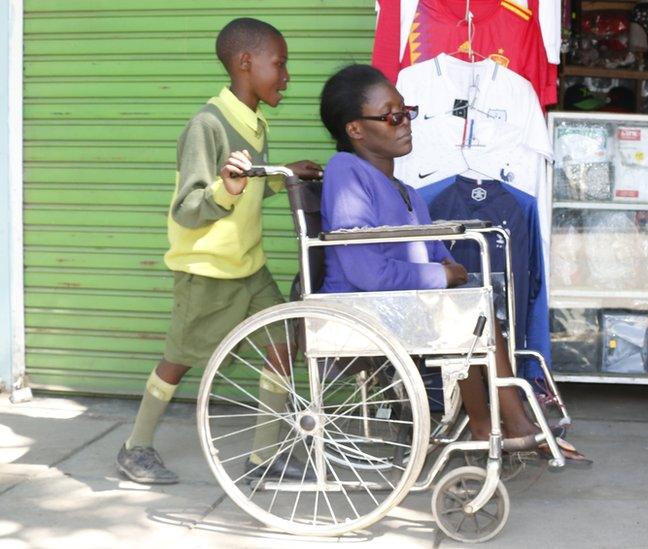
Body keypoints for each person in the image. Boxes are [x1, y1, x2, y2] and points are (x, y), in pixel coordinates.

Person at [317, 64, 586, 460]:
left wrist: (448, 270)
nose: (405, 123)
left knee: (475, 306)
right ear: (355, 129)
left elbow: (432, 247)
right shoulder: (346, 172)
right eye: (392, 117)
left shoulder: (406, 189)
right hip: (360, 309)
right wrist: (440, 274)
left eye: (406, 112)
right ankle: (514, 426)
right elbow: (365, 271)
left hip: (396, 304)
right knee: (469, 312)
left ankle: (494, 426)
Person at [115, 18, 323, 484]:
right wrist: (228, 189)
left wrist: (281, 173)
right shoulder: (206, 125)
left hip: (249, 264)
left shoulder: (252, 121)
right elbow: (189, 208)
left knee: (282, 344)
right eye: (281, 64)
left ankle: (262, 455)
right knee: (179, 357)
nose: (287, 76)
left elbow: (241, 185)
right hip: (207, 268)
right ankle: (135, 447)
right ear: (246, 63)